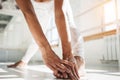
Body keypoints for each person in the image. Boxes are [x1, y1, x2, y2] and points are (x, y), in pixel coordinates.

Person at [8, 0, 85, 80]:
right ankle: (24, 61)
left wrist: (67, 57)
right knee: (38, 34)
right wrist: (46, 51)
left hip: (59, 3)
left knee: (70, 25)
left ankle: (79, 59)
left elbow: (59, 13)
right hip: (36, 5)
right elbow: (28, 12)